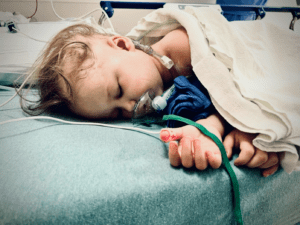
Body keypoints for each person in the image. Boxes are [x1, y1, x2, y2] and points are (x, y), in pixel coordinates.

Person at [21, 20, 281, 177]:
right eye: (117, 113)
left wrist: (244, 124)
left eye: (120, 91)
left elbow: (241, 84)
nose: (130, 106)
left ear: (123, 45)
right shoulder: (162, 88)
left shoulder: (184, 48)